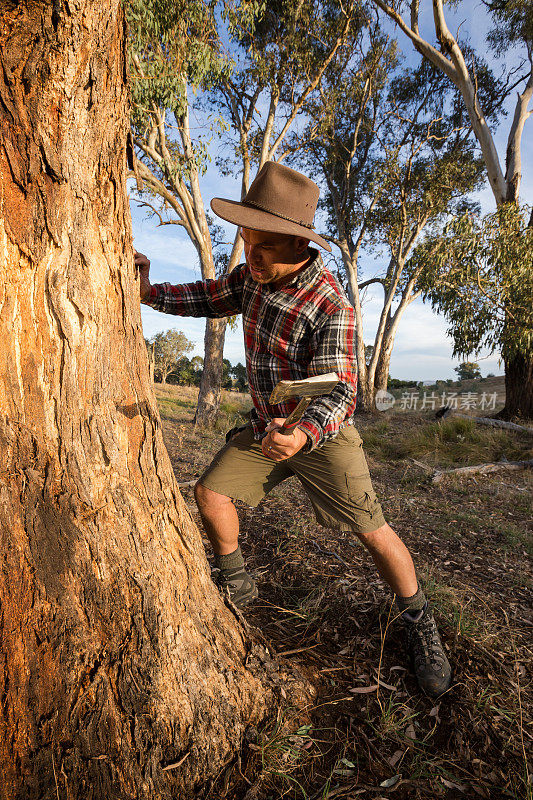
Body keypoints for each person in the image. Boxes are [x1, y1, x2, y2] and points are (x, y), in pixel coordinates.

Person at [136, 162, 452, 698]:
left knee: (373, 531)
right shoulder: (250, 278)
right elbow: (206, 296)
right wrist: (146, 291)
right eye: (247, 242)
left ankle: (421, 624)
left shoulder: (331, 303)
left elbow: (342, 392)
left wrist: (304, 434)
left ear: (299, 245)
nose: (251, 256)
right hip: (264, 430)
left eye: (264, 247)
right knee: (209, 493)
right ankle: (237, 584)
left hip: (322, 437)